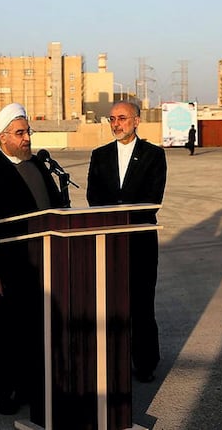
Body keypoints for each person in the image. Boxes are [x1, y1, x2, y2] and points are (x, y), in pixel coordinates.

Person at [0, 102, 63, 417]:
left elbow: (56, 209)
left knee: (36, 330)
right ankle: (3, 390)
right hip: (9, 269)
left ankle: (31, 385)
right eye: (20, 133)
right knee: (6, 333)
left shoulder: (38, 165)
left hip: (45, 264)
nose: (27, 138)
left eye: (28, 132)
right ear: (3, 137)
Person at [86, 98, 167, 383]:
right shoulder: (100, 155)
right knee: (109, 303)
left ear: (136, 120)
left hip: (140, 241)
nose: (116, 124)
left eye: (121, 118)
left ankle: (145, 362)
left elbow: (152, 199)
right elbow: (93, 196)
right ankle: (111, 360)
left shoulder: (154, 155)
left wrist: (122, 215)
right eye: (112, 119)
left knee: (142, 303)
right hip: (108, 240)